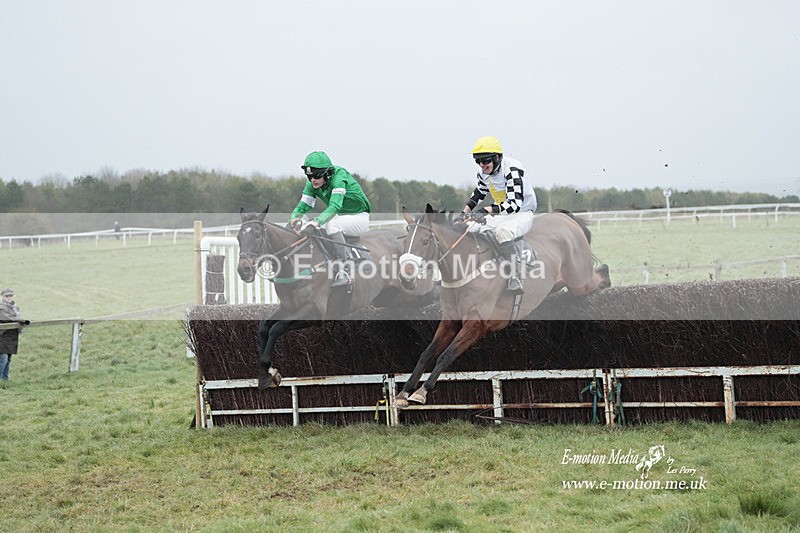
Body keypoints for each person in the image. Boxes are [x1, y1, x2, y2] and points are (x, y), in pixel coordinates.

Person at [459, 136, 538, 293]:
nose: (482, 165)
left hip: (522, 212)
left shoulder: (513, 169)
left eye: (485, 160)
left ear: (497, 157)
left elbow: (514, 205)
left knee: (502, 232)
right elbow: (479, 192)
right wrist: (464, 213)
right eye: (478, 161)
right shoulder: (483, 173)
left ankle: (515, 276)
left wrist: (485, 211)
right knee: (467, 227)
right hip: (502, 213)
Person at [289, 151, 372, 288]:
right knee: (307, 224)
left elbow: (335, 206)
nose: (313, 180)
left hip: (359, 217)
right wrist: (293, 219)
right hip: (340, 217)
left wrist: (316, 223)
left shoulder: (339, 178)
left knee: (331, 225)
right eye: (309, 176)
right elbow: (303, 206)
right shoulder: (312, 184)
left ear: (327, 173)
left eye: (316, 175)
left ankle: (344, 271)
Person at [0, 288, 29, 382]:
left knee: (8, 359)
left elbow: (14, 317)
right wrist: (22, 321)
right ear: (2, 297)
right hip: (2, 335)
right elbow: (8, 318)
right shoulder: (1, 307)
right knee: (3, 358)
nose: (8, 298)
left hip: (12, 335)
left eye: (10, 296)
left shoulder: (15, 307)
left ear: (13, 296)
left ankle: (5, 380)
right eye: (6, 296)